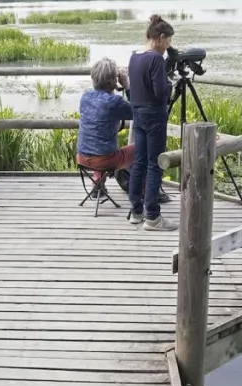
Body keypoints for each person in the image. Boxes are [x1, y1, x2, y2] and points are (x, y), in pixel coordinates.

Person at [126, 14, 178, 231]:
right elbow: (160, 93)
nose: (168, 47)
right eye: (169, 41)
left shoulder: (135, 56)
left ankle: (136, 212)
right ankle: (154, 218)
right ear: (161, 37)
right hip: (154, 114)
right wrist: (170, 84)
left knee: (138, 162)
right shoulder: (156, 58)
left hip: (137, 112)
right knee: (155, 164)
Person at [76, 58, 134, 202]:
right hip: (104, 160)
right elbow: (137, 111)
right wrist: (126, 85)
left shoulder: (85, 97)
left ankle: (97, 185)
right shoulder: (114, 102)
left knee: (98, 146)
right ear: (112, 81)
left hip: (81, 157)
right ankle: (141, 189)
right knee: (142, 148)